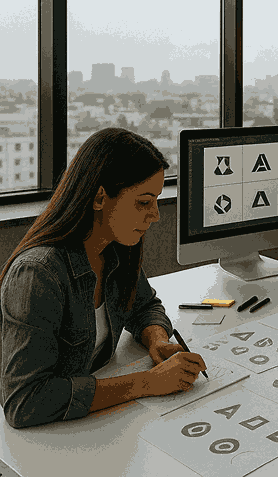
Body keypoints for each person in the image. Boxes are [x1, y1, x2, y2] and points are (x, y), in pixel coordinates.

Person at [1, 128, 206, 429]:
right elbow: (25, 400)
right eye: (144, 202)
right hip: (45, 438)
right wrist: (146, 383)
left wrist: (157, 340)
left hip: (92, 426)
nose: (156, 215)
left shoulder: (115, 248)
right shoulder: (37, 274)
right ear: (99, 198)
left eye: (156, 201)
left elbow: (144, 306)